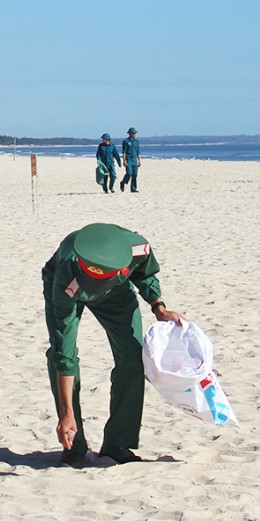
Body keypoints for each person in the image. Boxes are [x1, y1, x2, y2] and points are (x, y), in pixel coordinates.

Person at [44, 223, 184, 466]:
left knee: (133, 356)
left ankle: (118, 443)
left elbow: (145, 274)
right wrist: (66, 414)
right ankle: (73, 444)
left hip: (117, 291)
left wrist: (158, 306)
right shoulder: (68, 274)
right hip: (69, 286)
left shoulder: (138, 248)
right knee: (61, 355)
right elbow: (64, 353)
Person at [120, 128, 141, 192]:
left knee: (135, 174)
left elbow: (138, 152)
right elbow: (124, 152)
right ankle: (123, 182)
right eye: (133, 133)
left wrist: (139, 160)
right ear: (130, 134)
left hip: (134, 159)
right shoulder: (126, 141)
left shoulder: (136, 141)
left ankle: (133, 188)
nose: (135, 134)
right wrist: (124, 160)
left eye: (135, 133)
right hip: (128, 159)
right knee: (129, 173)